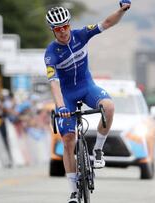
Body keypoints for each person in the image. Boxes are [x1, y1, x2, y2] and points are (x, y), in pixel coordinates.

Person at [44, 1, 131, 202]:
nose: (63, 31)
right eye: (58, 29)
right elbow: (54, 84)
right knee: (67, 141)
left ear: (69, 25)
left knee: (108, 107)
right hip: (66, 95)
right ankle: (74, 191)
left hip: (87, 87)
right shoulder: (51, 53)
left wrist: (121, 10)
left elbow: (107, 23)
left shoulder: (81, 35)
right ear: (53, 31)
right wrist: (62, 107)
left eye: (66, 26)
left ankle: (98, 149)